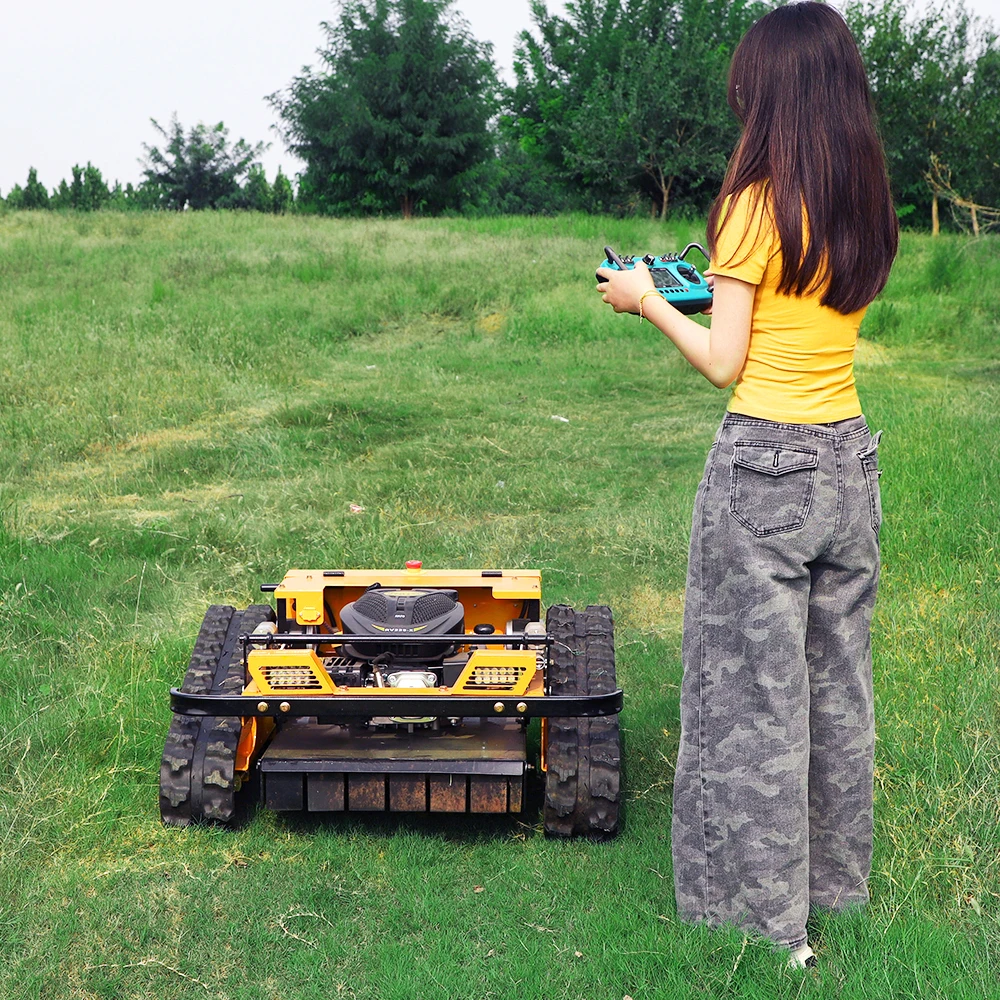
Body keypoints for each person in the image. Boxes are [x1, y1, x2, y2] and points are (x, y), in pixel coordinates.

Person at [596, 1, 898, 968]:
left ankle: (767, 930)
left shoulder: (753, 204)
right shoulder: (863, 196)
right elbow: (798, 317)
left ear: (768, 93)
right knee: (834, 692)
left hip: (765, 468)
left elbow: (727, 360)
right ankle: (834, 897)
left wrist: (647, 301)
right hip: (849, 461)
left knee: (748, 701)